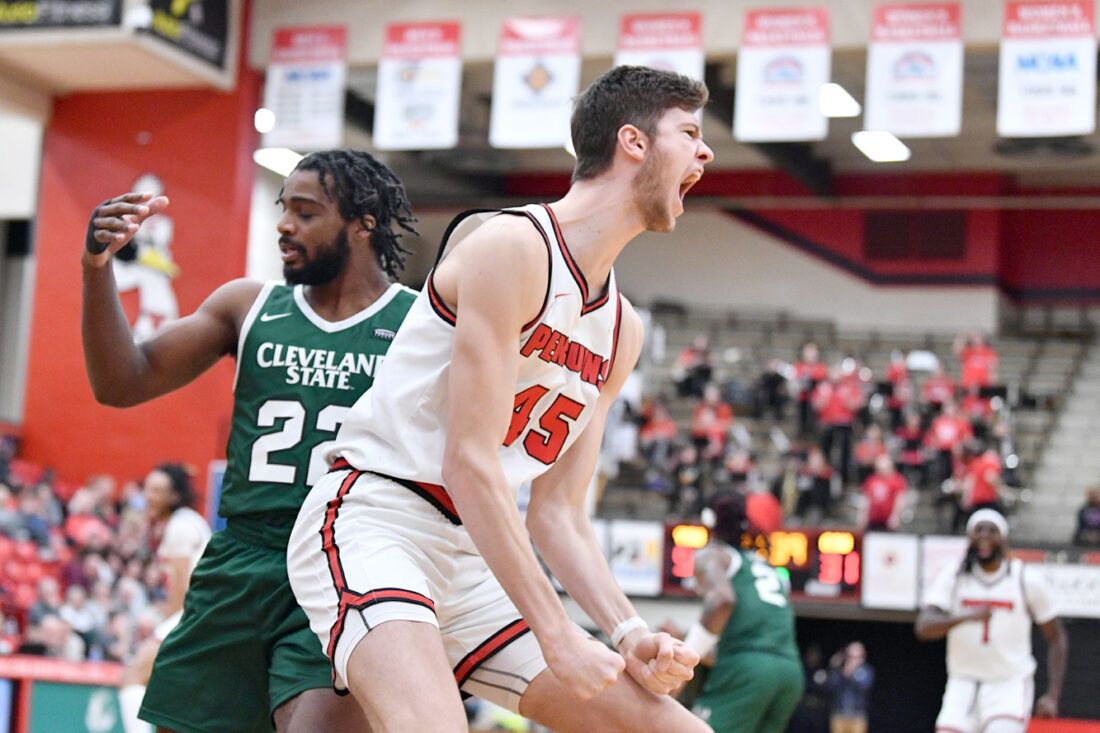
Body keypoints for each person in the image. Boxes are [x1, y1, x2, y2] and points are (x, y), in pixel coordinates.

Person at [287, 65, 714, 732]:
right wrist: (556, 630)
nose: (705, 151)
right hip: (379, 521)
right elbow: (469, 462)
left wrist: (627, 629)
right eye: (688, 132)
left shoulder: (622, 328)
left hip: (475, 556)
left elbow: (559, 512)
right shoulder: (514, 246)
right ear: (633, 142)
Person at [81, 149, 418, 733]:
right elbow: (121, 382)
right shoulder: (249, 306)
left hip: (346, 565)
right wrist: (96, 269)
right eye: (283, 208)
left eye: (306, 212)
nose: (284, 224)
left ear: (364, 223)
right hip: (240, 561)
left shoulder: (420, 326)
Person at [915, 509, 1068, 733]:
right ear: (969, 538)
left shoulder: (1025, 578)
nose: (984, 536)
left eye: (992, 530)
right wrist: (967, 616)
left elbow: (1057, 636)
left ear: (1004, 539)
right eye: (978, 530)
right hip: (962, 682)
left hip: (1009, 683)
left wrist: (1053, 695)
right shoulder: (954, 575)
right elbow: (924, 627)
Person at [683, 493, 803, 732]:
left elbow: (722, 600)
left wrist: (687, 656)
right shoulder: (769, 568)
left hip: (748, 669)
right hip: (790, 671)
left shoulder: (716, 554)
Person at [118, 464, 211, 733]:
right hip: (206, 613)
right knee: (172, 701)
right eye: (147, 488)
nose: (149, 495)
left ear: (174, 496)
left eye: (158, 490)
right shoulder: (186, 521)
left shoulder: (180, 526)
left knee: (133, 676)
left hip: (196, 612)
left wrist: (170, 622)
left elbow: (182, 589)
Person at [826, 642, 874, 733]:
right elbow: (830, 686)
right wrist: (833, 668)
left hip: (857, 715)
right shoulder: (838, 671)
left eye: (856, 656)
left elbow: (864, 687)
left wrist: (851, 672)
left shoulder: (866, 670)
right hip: (839, 714)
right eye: (849, 656)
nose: (852, 659)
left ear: (863, 657)